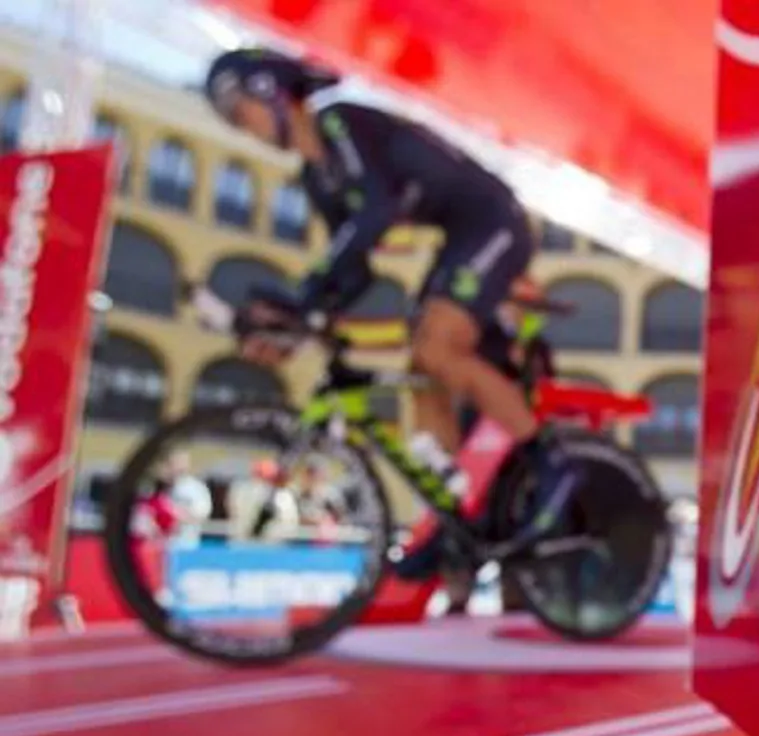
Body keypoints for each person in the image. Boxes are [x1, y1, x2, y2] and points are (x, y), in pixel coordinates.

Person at [202, 47, 580, 578]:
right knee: (423, 374)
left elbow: (376, 215)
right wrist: (298, 325)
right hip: (455, 236)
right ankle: (453, 513)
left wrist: (306, 295)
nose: (244, 128)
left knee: (436, 344)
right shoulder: (316, 180)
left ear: (271, 92)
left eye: (241, 112)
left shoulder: (337, 123)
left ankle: (552, 461)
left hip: (492, 219)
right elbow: (354, 271)